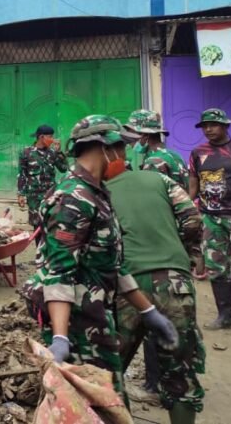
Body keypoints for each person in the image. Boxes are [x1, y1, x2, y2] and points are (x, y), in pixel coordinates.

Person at [21, 115, 178, 399]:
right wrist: (60, 338)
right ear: (104, 147)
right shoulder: (74, 199)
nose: (125, 155)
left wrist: (147, 311)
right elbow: (58, 271)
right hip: (77, 323)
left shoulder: (97, 193)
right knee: (96, 403)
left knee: (109, 398)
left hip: (97, 314)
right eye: (122, 148)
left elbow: (110, 263)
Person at [108, 168, 205, 424]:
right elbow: (192, 219)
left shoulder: (95, 190)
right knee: (180, 372)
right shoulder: (160, 180)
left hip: (126, 285)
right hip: (174, 282)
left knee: (109, 371)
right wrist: (182, 250)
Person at [188, 108, 231, 330]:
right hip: (210, 218)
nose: (208, 129)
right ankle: (225, 315)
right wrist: (188, 208)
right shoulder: (198, 152)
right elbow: (193, 183)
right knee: (217, 267)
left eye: (213, 124)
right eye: (204, 125)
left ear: (226, 126)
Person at [17, 124, 68, 230]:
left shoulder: (53, 153)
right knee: (37, 224)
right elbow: (22, 174)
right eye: (50, 137)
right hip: (34, 196)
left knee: (52, 222)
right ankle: (39, 245)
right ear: (41, 137)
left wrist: (59, 152)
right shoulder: (26, 153)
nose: (52, 140)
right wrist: (21, 194)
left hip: (50, 194)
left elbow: (63, 168)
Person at [125, 109, 190, 189]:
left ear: (144, 135)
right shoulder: (173, 154)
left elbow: (151, 195)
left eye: (131, 134)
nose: (129, 139)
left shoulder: (153, 161)